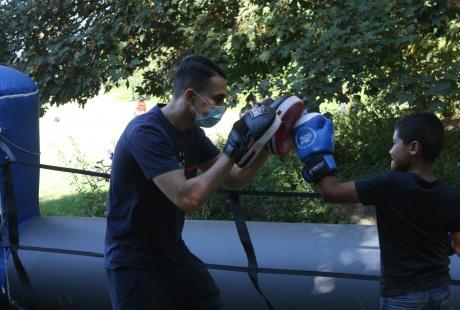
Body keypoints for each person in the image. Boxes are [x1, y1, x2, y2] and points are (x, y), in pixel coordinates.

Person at [104, 55, 281, 310]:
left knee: (206, 300)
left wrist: (268, 143)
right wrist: (233, 147)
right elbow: (188, 198)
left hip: (172, 254)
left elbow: (233, 178)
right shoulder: (146, 133)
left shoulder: (191, 133)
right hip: (134, 262)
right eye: (218, 98)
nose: (223, 106)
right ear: (190, 96)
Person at [292, 111, 460, 309]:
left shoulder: (389, 185)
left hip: (403, 296)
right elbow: (457, 247)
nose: (390, 151)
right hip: (440, 292)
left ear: (414, 148)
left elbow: (331, 192)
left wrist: (316, 153)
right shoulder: (452, 195)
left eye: (395, 143)